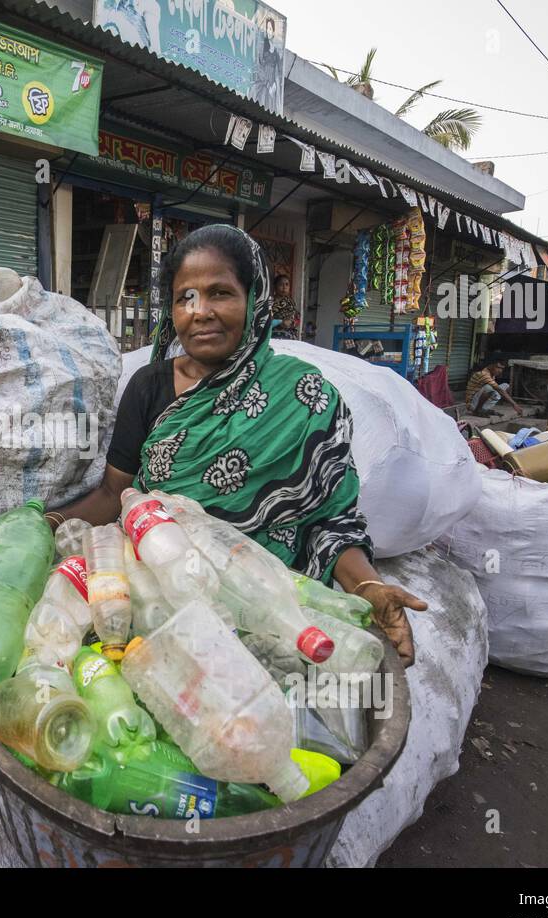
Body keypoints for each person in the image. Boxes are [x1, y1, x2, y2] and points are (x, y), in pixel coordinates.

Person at [54, 224, 427, 665]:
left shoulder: (301, 396)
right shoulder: (148, 387)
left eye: (220, 293)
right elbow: (115, 494)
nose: (201, 311)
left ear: (254, 300)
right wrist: (44, 525)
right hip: (159, 601)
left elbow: (328, 521)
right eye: (185, 298)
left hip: (270, 607)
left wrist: (367, 588)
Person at [269, 273, 300, 340]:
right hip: (272, 334)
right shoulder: (269, 302)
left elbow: (297, 319)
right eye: (281, 284)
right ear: (275, 286)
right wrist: (280, 322)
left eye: (287, 284)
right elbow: (264, 321)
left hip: (290, 335)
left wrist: (291, 323)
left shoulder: (291, 303)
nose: (284, 287)